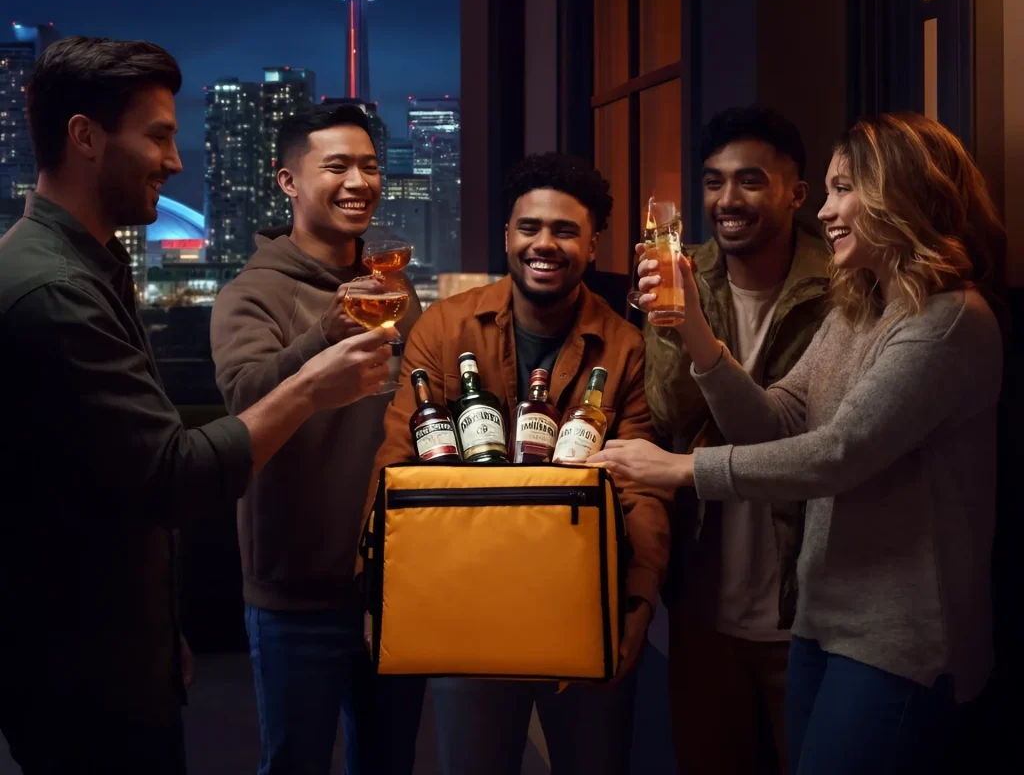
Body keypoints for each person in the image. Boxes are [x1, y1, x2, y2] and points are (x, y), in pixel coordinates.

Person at [0, 37, 392, 775]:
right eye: (158, 136)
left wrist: (156, 628)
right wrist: (312, 381)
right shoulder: (53, 292)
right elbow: (172, 472)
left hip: (114, 651)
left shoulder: (87, 268)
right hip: (80, 673)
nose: (176, 162)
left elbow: (113, 481)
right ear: (85, 136)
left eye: (370, 165)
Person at [592, 113, 1006, 775]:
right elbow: (779, 418)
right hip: (823, 621)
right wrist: (694, 325)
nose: (827, 210)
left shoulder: (950, 319)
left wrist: (680, 469)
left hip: (900, 640)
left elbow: (836, 454)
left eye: (844, 189)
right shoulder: (860, 307)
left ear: (900, 193)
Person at [364, 152, 672, 775]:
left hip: (585, 597)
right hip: (466, 596)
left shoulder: (627, 346)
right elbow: (397, 459)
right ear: (507, 235)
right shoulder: (446, 327)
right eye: (529, 227)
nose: (545, 244)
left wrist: (637, 602)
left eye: (565, 231)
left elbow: (641, 488)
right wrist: (379, 589)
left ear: (591, 245)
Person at [210, 103, 423, 775]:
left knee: (390, 762)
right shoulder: (250, 293)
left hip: (394, 585)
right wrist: (321, 336)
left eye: (369, 166)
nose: (359, 180)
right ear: (287, 182)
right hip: (295, 593)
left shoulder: (397, 291)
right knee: (295, 763)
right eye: (337, 165)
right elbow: (245, 406)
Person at [642, 106, 830, 775]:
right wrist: (677, 322)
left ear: (796, 192)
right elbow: (667, 412)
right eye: (714, 182)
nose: (727, 200)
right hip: (704, 606)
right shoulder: (675, 273)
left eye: (750, 181)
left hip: (810, 607)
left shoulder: (840, 284)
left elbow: (817, 437)